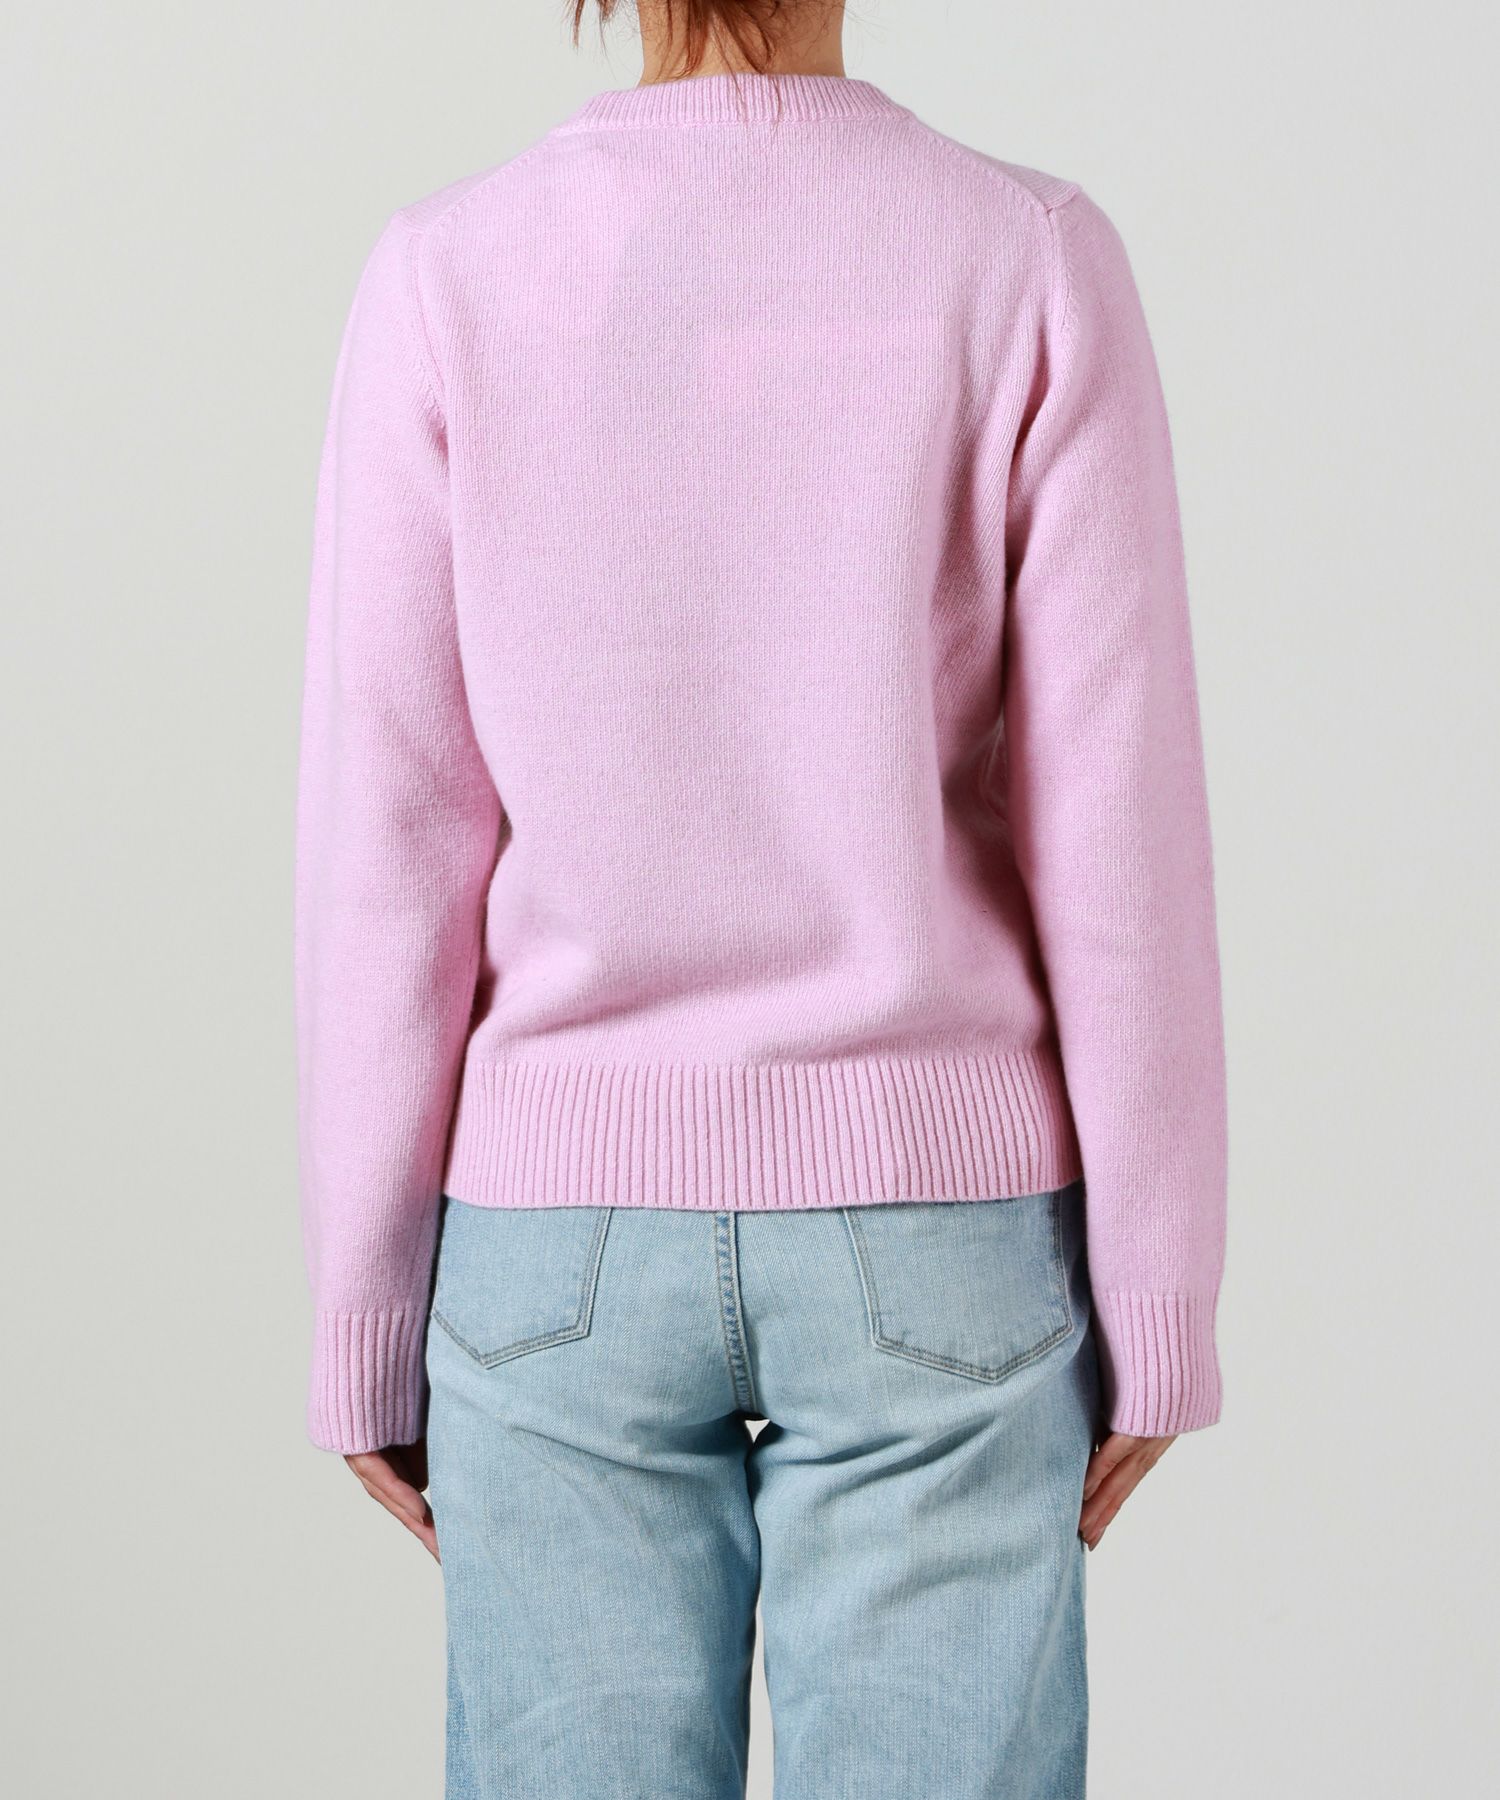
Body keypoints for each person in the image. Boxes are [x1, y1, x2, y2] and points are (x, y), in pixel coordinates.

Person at [294, 1, 1228, 1793]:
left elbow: (392, 840)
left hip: (552, 1237)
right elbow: (1117, 822)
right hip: (936, 1221)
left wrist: (363, 1307)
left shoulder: (446, 274)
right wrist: (1161, 1288)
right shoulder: (1025, 255)